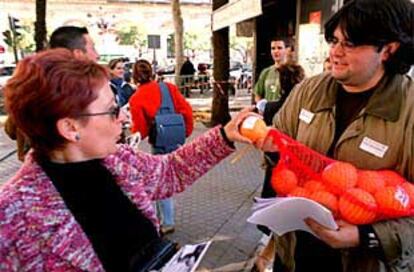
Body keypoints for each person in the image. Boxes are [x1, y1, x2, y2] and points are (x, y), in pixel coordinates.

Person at [0, 48, 257, 271]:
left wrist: (225, 135)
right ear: (70, 128)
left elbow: (169, 172)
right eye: (113, 110)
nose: (124, 118)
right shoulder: (12, 218)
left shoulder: (117, 158)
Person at [265, 0, 414, 271]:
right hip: (294, 254)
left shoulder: (409, 111)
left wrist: (366, 237)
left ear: (388, 50)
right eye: (334, 40)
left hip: (363, 262)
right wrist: (269, 147)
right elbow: (278, 151)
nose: (335, 52)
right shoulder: (308, 91)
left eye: (350, 44)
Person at [3, 25, 99, 162]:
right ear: (78, 53)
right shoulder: (65, 91)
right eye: (93, 48)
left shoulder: (36, 83)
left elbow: (11, 129)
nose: (97, 55)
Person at [129, 59, 193, 235]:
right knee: (170, 177)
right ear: (152, 72)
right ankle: (164, 217)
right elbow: (186, 110)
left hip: (160, 142)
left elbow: (140, 129)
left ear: (134, 76)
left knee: (160, 180)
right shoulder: (168, 88)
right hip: (176, 138)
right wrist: (185, 132)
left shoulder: (136, 98)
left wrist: (133, 135)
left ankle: (167, 221)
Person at [253, 63, 305, 272]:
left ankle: (266, 257)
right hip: (297, 177)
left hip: (274, 172)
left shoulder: (271, 107)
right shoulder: (304, 110)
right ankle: (268, 257)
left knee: (277, 219)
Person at [254, 37, 289, 103]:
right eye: (273, 48)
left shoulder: (292, 72)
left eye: (279, 48)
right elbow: (257, 94)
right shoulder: (266, 72)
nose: (276, 51)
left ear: (286, 50)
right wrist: (261, 107)